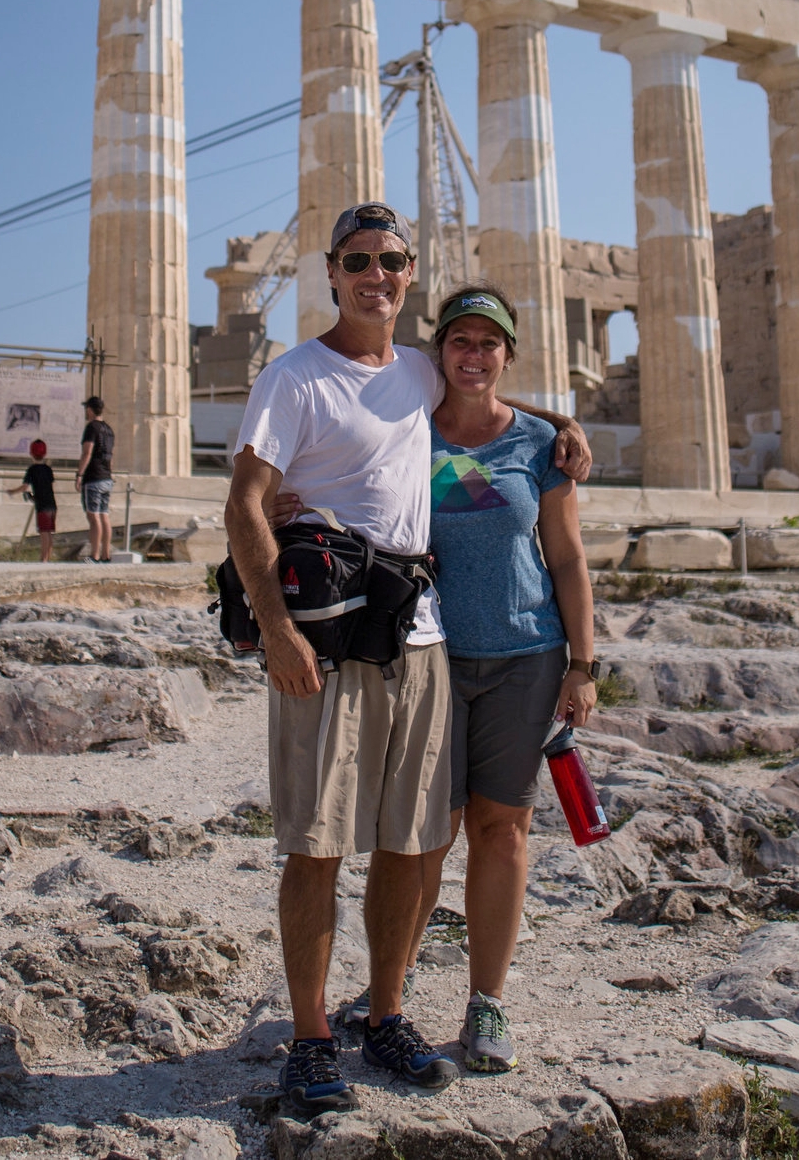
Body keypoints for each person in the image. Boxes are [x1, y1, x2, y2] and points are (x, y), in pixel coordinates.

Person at [224, 201, 591, 1117]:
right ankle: (311, 1039)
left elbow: (485, 388)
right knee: (315, 847)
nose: (375, 274)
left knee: (411, 841)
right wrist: (276, 631)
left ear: (408, 271)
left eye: (391, 260)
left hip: (421, 639)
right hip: (330, 646)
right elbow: (244, 501)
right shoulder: (293, 377)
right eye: (358, 260)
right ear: (333, 271)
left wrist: (561, 424)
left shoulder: (422, 369)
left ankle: (386, 1013)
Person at [415, 284, 596, 1074]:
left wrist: (584, 666)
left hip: (527, 657)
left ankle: (486, 1002)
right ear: (439, 352)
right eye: (461, 341)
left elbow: (567, 558)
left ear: (507, 355)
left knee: (502, 831)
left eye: (490, 344)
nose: (474, 355)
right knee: (421, 832)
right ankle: (387, 988)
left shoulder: (538, 446)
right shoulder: (405, 435)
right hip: (428, 657)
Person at [77, 397, 115, 563]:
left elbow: (87, 452)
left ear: (91, 409)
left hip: (93, 477)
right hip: (106, 476)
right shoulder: (109, 429)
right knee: (104, 515)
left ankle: (95, 555)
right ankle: (106, 554)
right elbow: (110, 455)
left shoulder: (92, 427)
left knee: (93, 517)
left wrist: (79, 474)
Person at [20, 439, 58, 562]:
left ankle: (44, 560)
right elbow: (47, 487)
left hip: (43, 506)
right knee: (49, 533)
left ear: (31, 453)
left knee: (44, 533)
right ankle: (47, 558)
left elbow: (26, 487)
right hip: (52, 504)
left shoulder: (32, 470)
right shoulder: (48, 469)